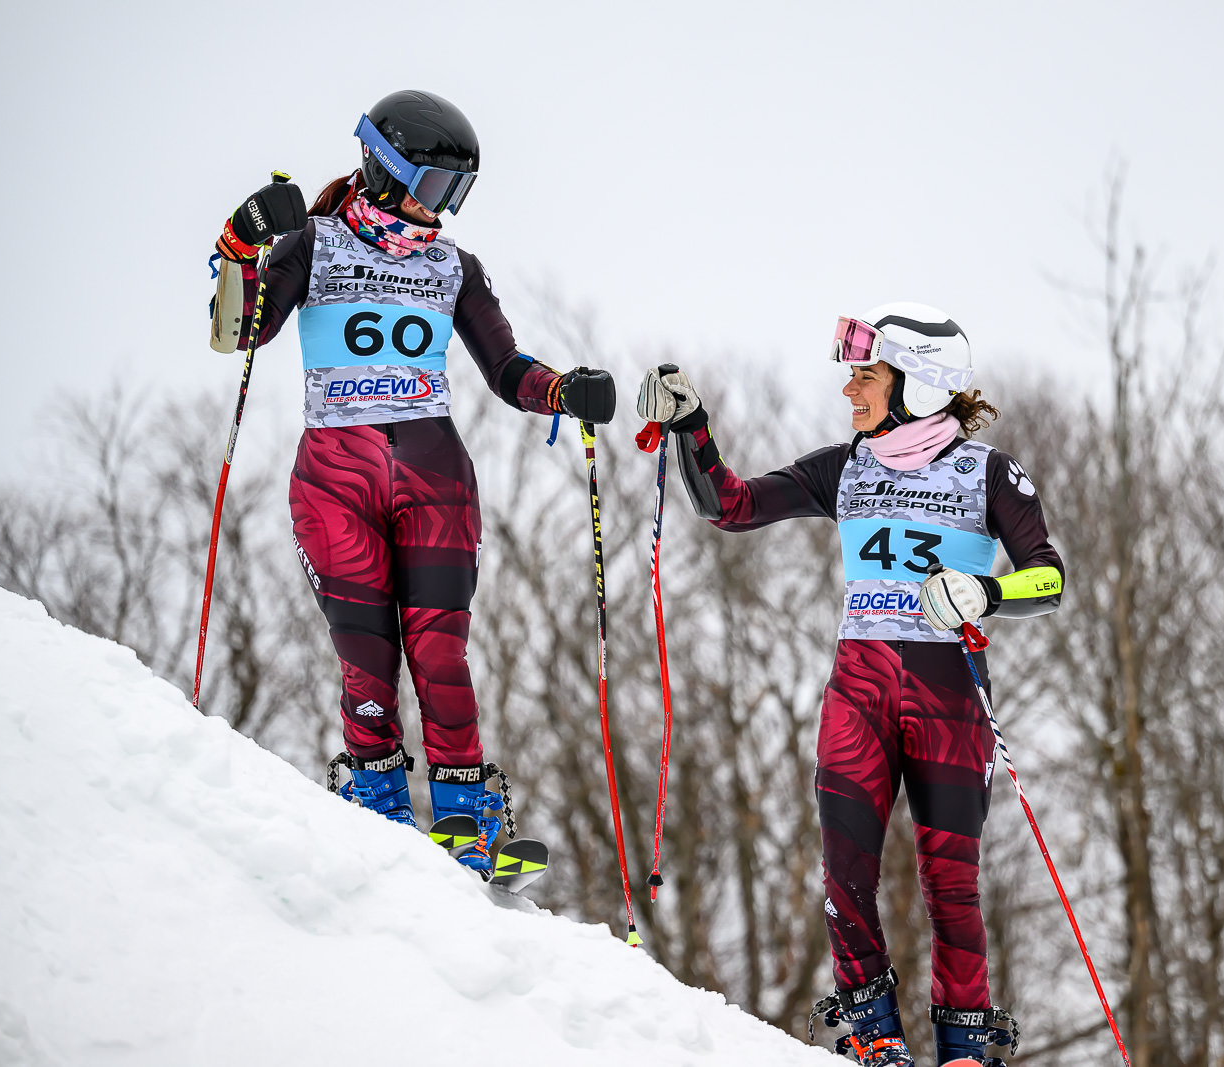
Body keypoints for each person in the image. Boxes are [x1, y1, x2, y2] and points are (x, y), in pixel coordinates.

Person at [636, 305, 1062, 1067]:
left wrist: (987, 592)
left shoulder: (989, 472)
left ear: (919, 385)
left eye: (865, 375)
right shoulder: (848, 465)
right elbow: (730, 504)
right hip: (860, 692)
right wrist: (691, 423)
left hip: (948, 699)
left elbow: (1050, 575)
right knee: (845, 868)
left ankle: (966, 1047)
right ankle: (876, 1035)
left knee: (950, 880)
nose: (851, 391)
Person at [208, 90, 615, 875]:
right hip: (336, 474)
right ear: (385, 171)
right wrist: (237, 245)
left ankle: (467, 818)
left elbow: (506, 367)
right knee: (368, 656)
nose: (443, 211)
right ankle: (379, 803)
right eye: (433, 189)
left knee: (440, 650)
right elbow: (239, 331)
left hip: (433, 471)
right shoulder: (314, 244)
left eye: (455, 195)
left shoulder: (451, 265)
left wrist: (564, 390)